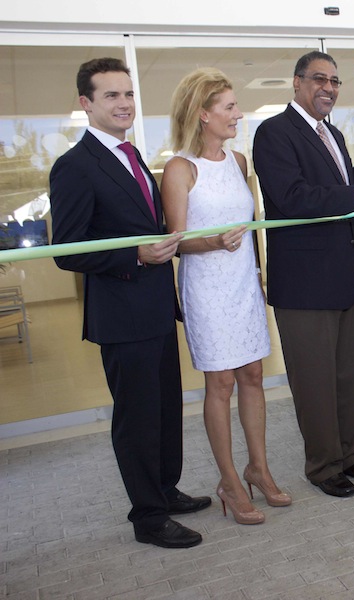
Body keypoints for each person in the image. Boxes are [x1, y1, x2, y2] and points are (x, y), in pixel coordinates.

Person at [49, 57, 209, 548]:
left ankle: (164, 489)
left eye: (128, 94)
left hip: (157, 306)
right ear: (86, 104)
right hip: (121, 313)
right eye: (111, 96)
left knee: (163, 409)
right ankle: (148, 517)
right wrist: (134, 254)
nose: (124, 104)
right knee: (137, 417)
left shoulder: (132, 155)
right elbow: (67, 250)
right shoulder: (75, 166)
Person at [252, 51, 354, 497]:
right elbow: (293, 197)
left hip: (346, 279)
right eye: (319, 79)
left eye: (335, 81)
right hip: (304, 284)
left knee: (350, 377)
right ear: (296, 83)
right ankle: (323, 466)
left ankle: (350, 455)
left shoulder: (334, 134)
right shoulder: (273, 133)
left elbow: (341, 201)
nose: (329, 88)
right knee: (314, 381)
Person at [161, 67, 291, 526]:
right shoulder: (180, 169)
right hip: (206, 285)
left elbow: (250, 227)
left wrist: (259, 274)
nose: (239, 114)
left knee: (253, 374)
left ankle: (259, 467)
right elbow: (175, 241)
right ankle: (230, 481)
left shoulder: (238, 163)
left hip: (242, 282)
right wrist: (213, 242)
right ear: (203, 114)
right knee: (220, 383)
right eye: (230, 107)